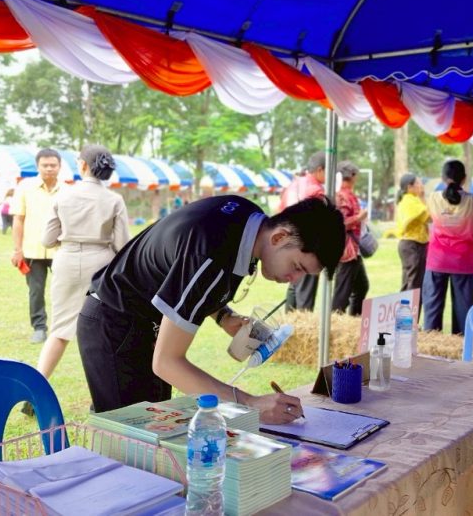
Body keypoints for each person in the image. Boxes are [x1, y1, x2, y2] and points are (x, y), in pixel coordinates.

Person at [77, 194, 346, 421]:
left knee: (155, 427)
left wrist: (223, 315)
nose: (294, 280)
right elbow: (167, 362)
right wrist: (251, 404)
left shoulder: (247, 219)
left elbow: (184, 276)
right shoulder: (211, 252)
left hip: (141, 321)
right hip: (114, 322)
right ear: (279, 237)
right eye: (297, 267)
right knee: (133, 438)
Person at [36, 145, 129, 384]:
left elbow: (47, 240)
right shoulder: (114, 200)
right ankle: (105, 392)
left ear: (83, 165)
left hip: (66, 261)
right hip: (101, 263)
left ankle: (35, 387)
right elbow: (122, 245)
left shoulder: (63, 195)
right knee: (100, 330)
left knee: (59, 330)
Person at [422, 160, 473, 335]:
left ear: (443, 178)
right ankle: (465, 345)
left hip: (437, 260)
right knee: (464, 309)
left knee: (432, 308)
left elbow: (427, 220)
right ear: (464, 178)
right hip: (462, 261)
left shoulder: (433, 199)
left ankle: (431, 345)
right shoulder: (471, 201)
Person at [12, 148, 64, 344]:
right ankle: (39, 327)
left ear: (59, 166)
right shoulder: (25, 187)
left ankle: (61, 327)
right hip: (32, 250)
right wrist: (17, 250)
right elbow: (18, 219)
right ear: (38, 166)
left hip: (61, 250)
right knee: (36, 292)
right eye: (45, 165)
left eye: (53, 165)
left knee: (62, 290)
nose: (49, 169)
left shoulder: (68, 190)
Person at [279, 151, 327, 313]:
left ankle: (288, 324)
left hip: (287, 243)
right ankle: (301, 326)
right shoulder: (316, 190)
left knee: (294, 287)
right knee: (305, 293)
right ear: (320, 170)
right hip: (307, 246)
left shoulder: (293, 185)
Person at [332, 160, 370, 316]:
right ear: (352, 175)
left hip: (353, 249)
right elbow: (339, 224)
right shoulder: (342, 196)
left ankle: (354, 318)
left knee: (361, 286)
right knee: (343, 291)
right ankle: (336, 319)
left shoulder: (347, 194)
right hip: (346, 251)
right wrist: (359, 217)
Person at [394, 173, 429, 302]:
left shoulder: (413, 200)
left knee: (410, 282)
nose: (421, 185)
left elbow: (426, 216)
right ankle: (408, 314)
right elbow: (429, 216)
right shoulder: (410, 201)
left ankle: (405, 314)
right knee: (414, 283)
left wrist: (422, 197)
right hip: (412, 245)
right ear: (410, 187)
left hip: (413, 244)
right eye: (418, 183)